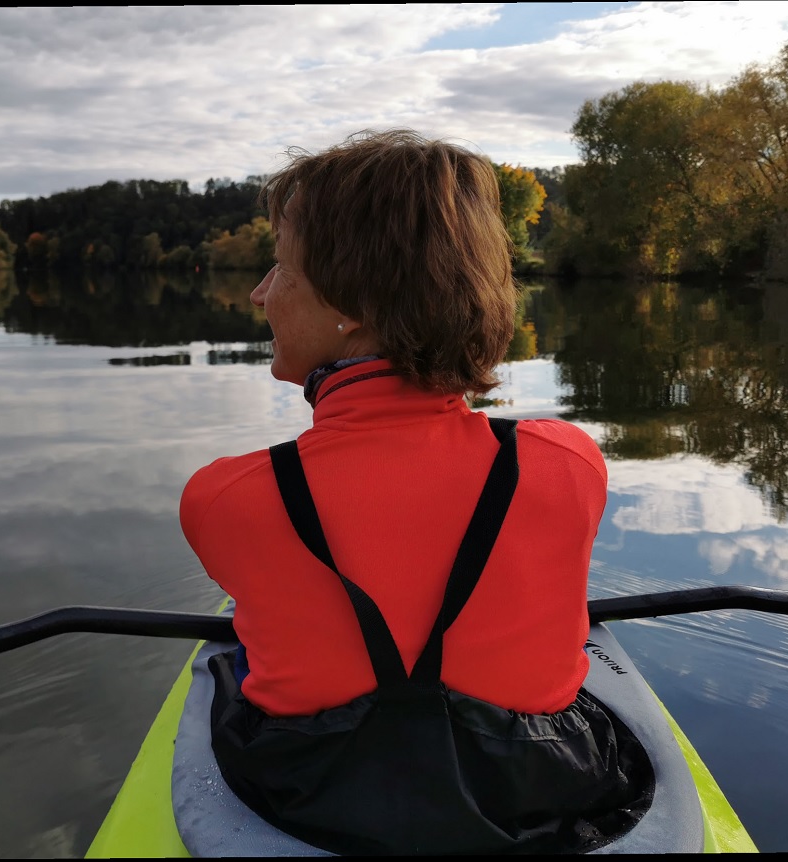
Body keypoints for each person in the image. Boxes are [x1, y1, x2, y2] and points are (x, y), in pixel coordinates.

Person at [178, 130, 650, 855]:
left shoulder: (224, 499)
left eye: (282, 268)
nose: (259, 293)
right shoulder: (569, 463)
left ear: (354, 304)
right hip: (535, 790)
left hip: (310, 797)